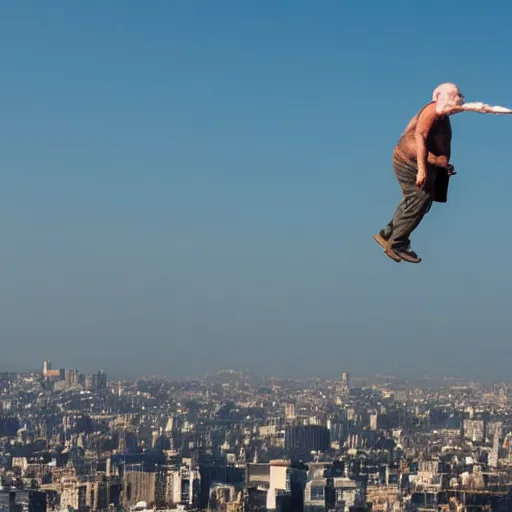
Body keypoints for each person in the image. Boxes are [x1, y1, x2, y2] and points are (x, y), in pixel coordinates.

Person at [374, 83, 464, 263]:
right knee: (419, 197)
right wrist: (426, 167)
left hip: (427, 164)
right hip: (410, 162)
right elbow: (416, 141)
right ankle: (396, 243)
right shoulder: (430, 113)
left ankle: (390, 231)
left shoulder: (441, 116)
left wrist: (443, 165)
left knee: (422, 201)